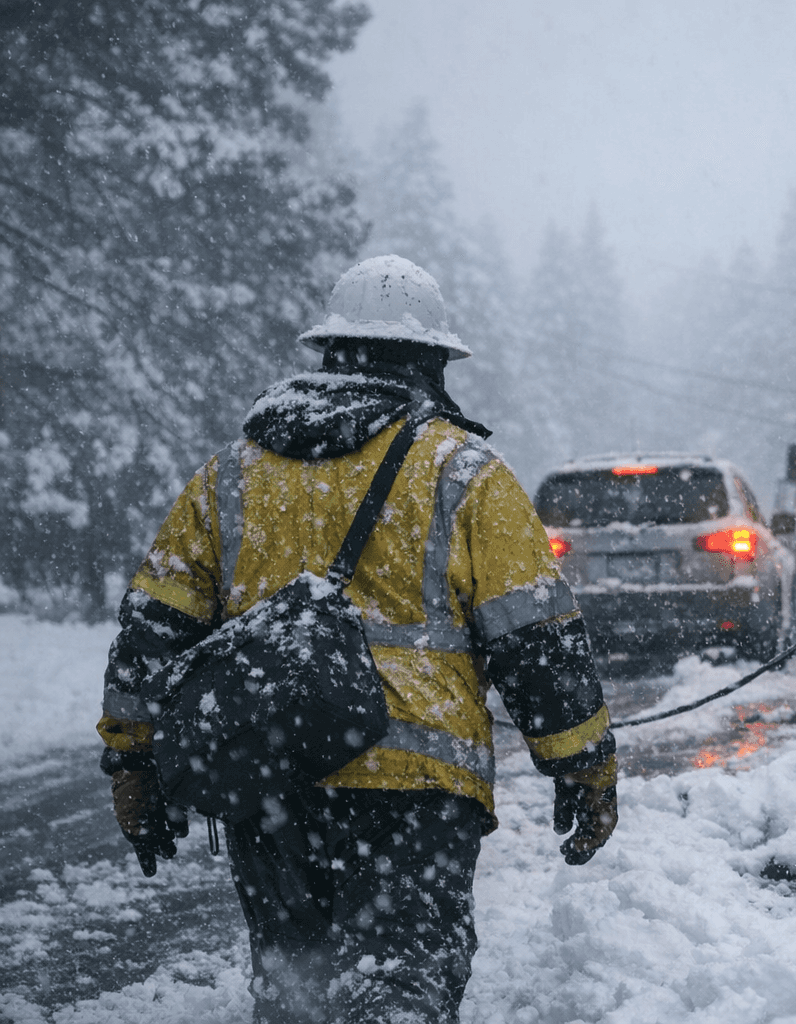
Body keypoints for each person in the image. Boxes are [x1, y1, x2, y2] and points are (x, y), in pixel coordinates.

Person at [96, 255, 617, 1023]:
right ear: (432, 362)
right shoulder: (465, 473)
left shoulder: (230, 477)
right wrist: (584, 765)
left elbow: (153, 629)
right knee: (400, 983)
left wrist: (131, 759)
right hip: (416, 791)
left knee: (295, 990)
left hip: (268, 776)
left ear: (331, 353)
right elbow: (536, 640)